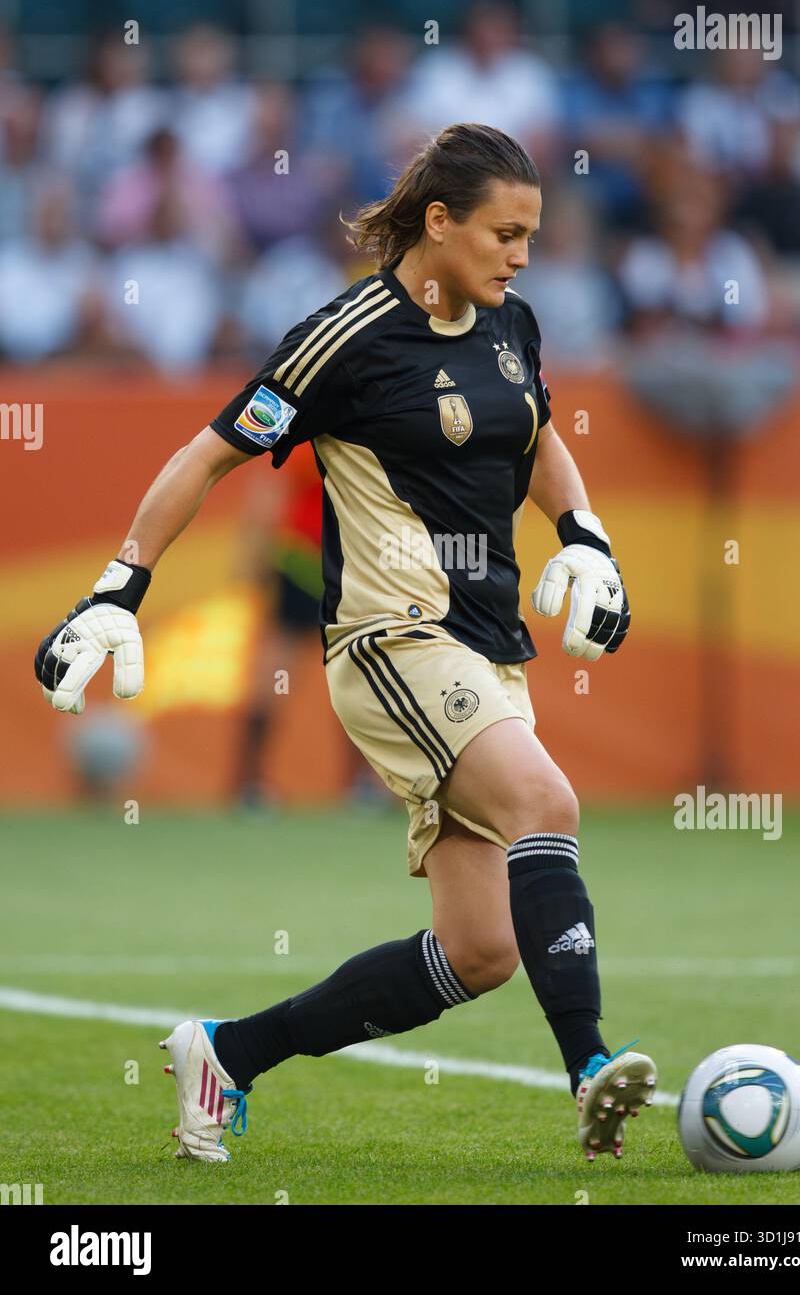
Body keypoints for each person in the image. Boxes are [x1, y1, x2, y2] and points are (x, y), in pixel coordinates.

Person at [35, 122, 655, 1165]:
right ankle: (591, 1067)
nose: (520, 254)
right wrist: (117, 589)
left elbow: (537, 430)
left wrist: (583, 532)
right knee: (547, 803)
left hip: (488, 648)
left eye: (531, 235)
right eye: (504, 232)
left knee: (479, 951)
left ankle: (226, 1054)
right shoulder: (349, 334)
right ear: (438, 221)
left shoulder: (513, 325)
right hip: (390, 639)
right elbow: (207, 452)